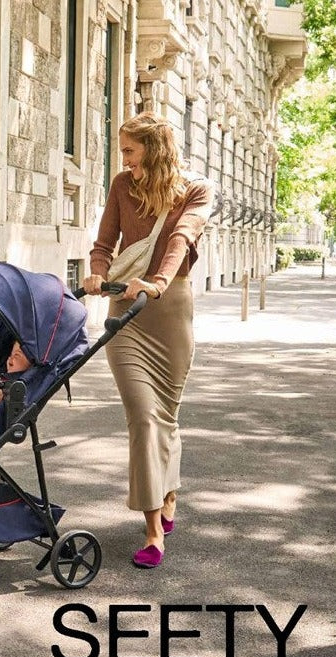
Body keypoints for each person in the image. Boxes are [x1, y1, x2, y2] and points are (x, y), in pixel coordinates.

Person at [82, 111, 215, 569]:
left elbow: (181, 237)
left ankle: (168, 494)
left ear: (154, 150)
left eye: (129, 151)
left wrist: (157, 282)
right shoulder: (123, 185)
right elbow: (104, 243)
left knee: (166, 418)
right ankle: (154, 528)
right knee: (144, 417)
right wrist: (97, 272)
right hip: (126, 312)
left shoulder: (196, 189)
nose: (124, 160)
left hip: (169, 308)